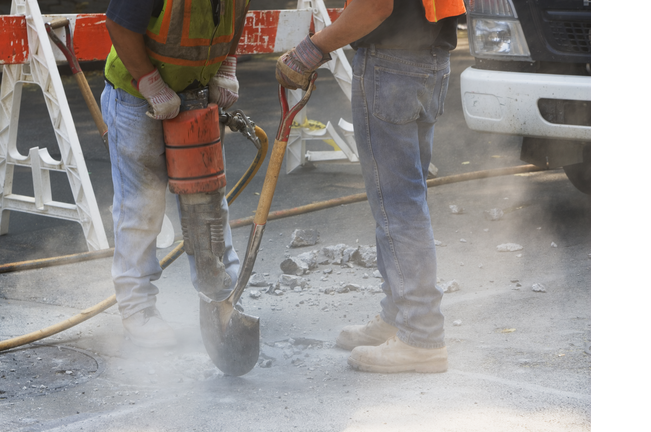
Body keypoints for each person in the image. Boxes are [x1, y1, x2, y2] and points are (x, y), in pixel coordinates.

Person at [276, 0, 466, 373]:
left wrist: (311, 50)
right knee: (405, 197)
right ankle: (398, 314)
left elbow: (375, 7)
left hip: (391, 67)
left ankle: (421, 336)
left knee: (398, 204)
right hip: (430, 61)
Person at [101, 0, 249, 348]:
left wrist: (227, 62)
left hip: (193, 93)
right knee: (142, 207)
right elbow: (120, 24)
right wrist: (150, 83)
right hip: (137, 96)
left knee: (208, 202)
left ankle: (222, 300)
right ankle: (138, 310)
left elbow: (237, 11)